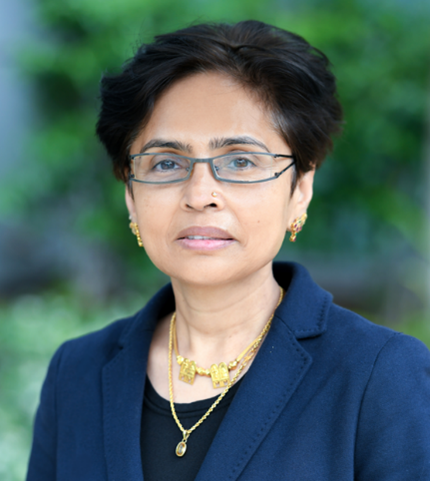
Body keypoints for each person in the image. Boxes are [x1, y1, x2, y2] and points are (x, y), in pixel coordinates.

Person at [26, 21, 430, 481]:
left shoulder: (380, 376)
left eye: (239, 160)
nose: (200, 194)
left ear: (300, 188)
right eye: (165, 162)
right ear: (131, 196)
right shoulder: (76, 372)